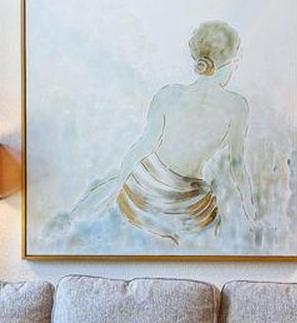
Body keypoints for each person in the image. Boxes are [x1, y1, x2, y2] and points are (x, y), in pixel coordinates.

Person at [64, 19, 249, 245]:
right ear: (228, 63)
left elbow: (144, 144)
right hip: (183, 204)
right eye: (236, 60)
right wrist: (250, 208)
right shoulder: (236, 106)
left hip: (146, 189)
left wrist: (120, 181)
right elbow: (237, 166)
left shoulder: (169, 95)